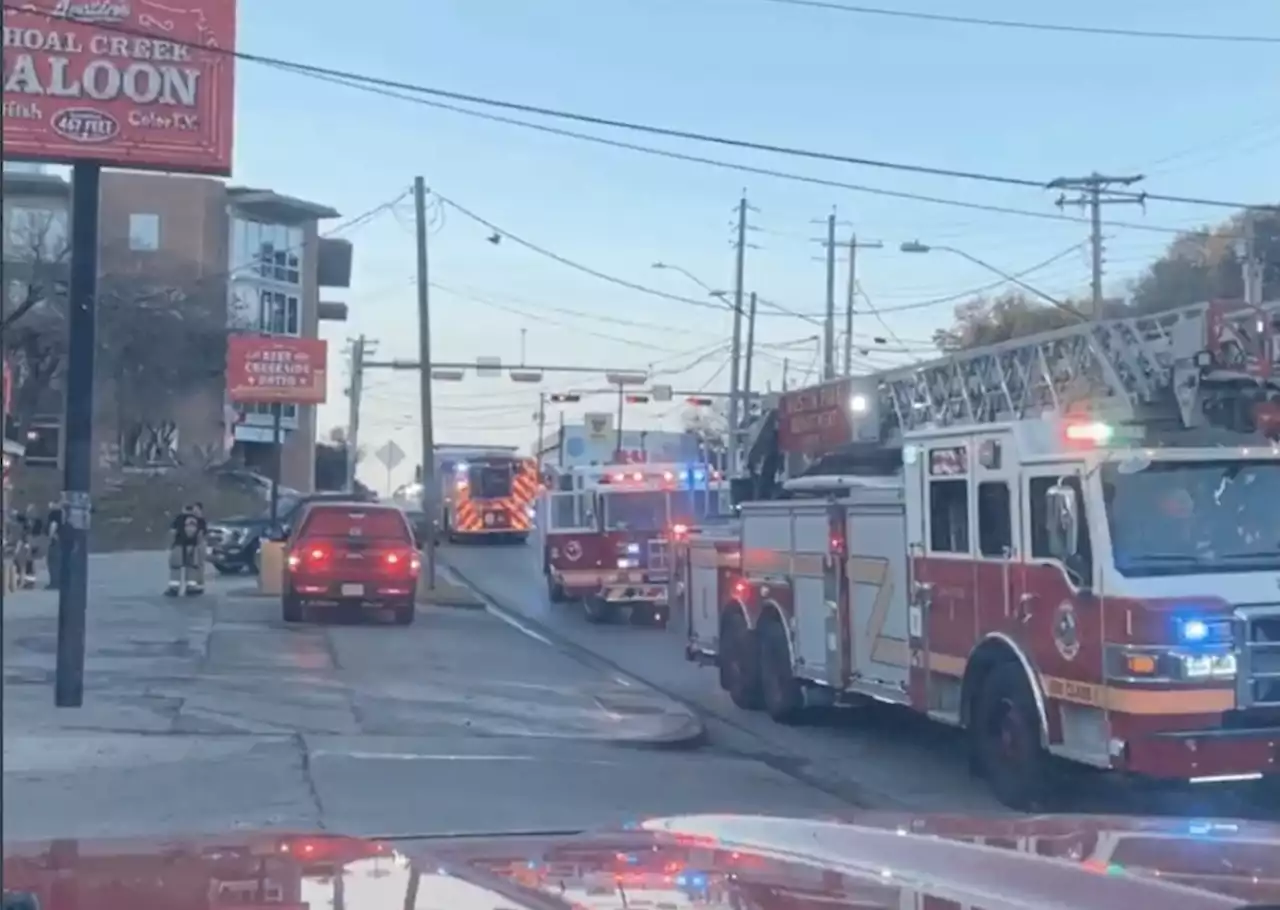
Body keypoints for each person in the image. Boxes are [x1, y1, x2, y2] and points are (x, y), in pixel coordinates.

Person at [167, 503, 207, 596]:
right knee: (192, 568)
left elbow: (172, 532)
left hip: (179, 545)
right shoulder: (199, 520)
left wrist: (171, 545)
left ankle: (174, 588)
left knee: (176, 567)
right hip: (193, 547)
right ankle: (191, 587)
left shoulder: (179, 518)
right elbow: (202, 534)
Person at [44, 499, 63, 590]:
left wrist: (52, 536)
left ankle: (54, 582)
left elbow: (53, 526)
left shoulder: (54, 514)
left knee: (52, 562)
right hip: (62, 541)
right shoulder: (63, 513)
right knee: (59, 562)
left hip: (55, 541)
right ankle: (59, 581)